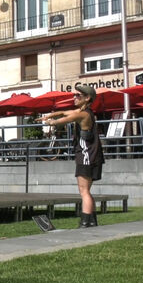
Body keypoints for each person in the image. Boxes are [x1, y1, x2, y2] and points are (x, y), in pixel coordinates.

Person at [38, 85, 104, 228]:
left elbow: (63, 120)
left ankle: (85, 222)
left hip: (87, 155)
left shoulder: (83, 114)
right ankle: (92, 220)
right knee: (86, 190)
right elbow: (64, 112)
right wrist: (50, 115)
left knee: (83, 190)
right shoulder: (84, 111)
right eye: (74, 95)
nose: (74, 97)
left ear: (87, 98)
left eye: (78, 95)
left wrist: (50, 122)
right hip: (91, 155)